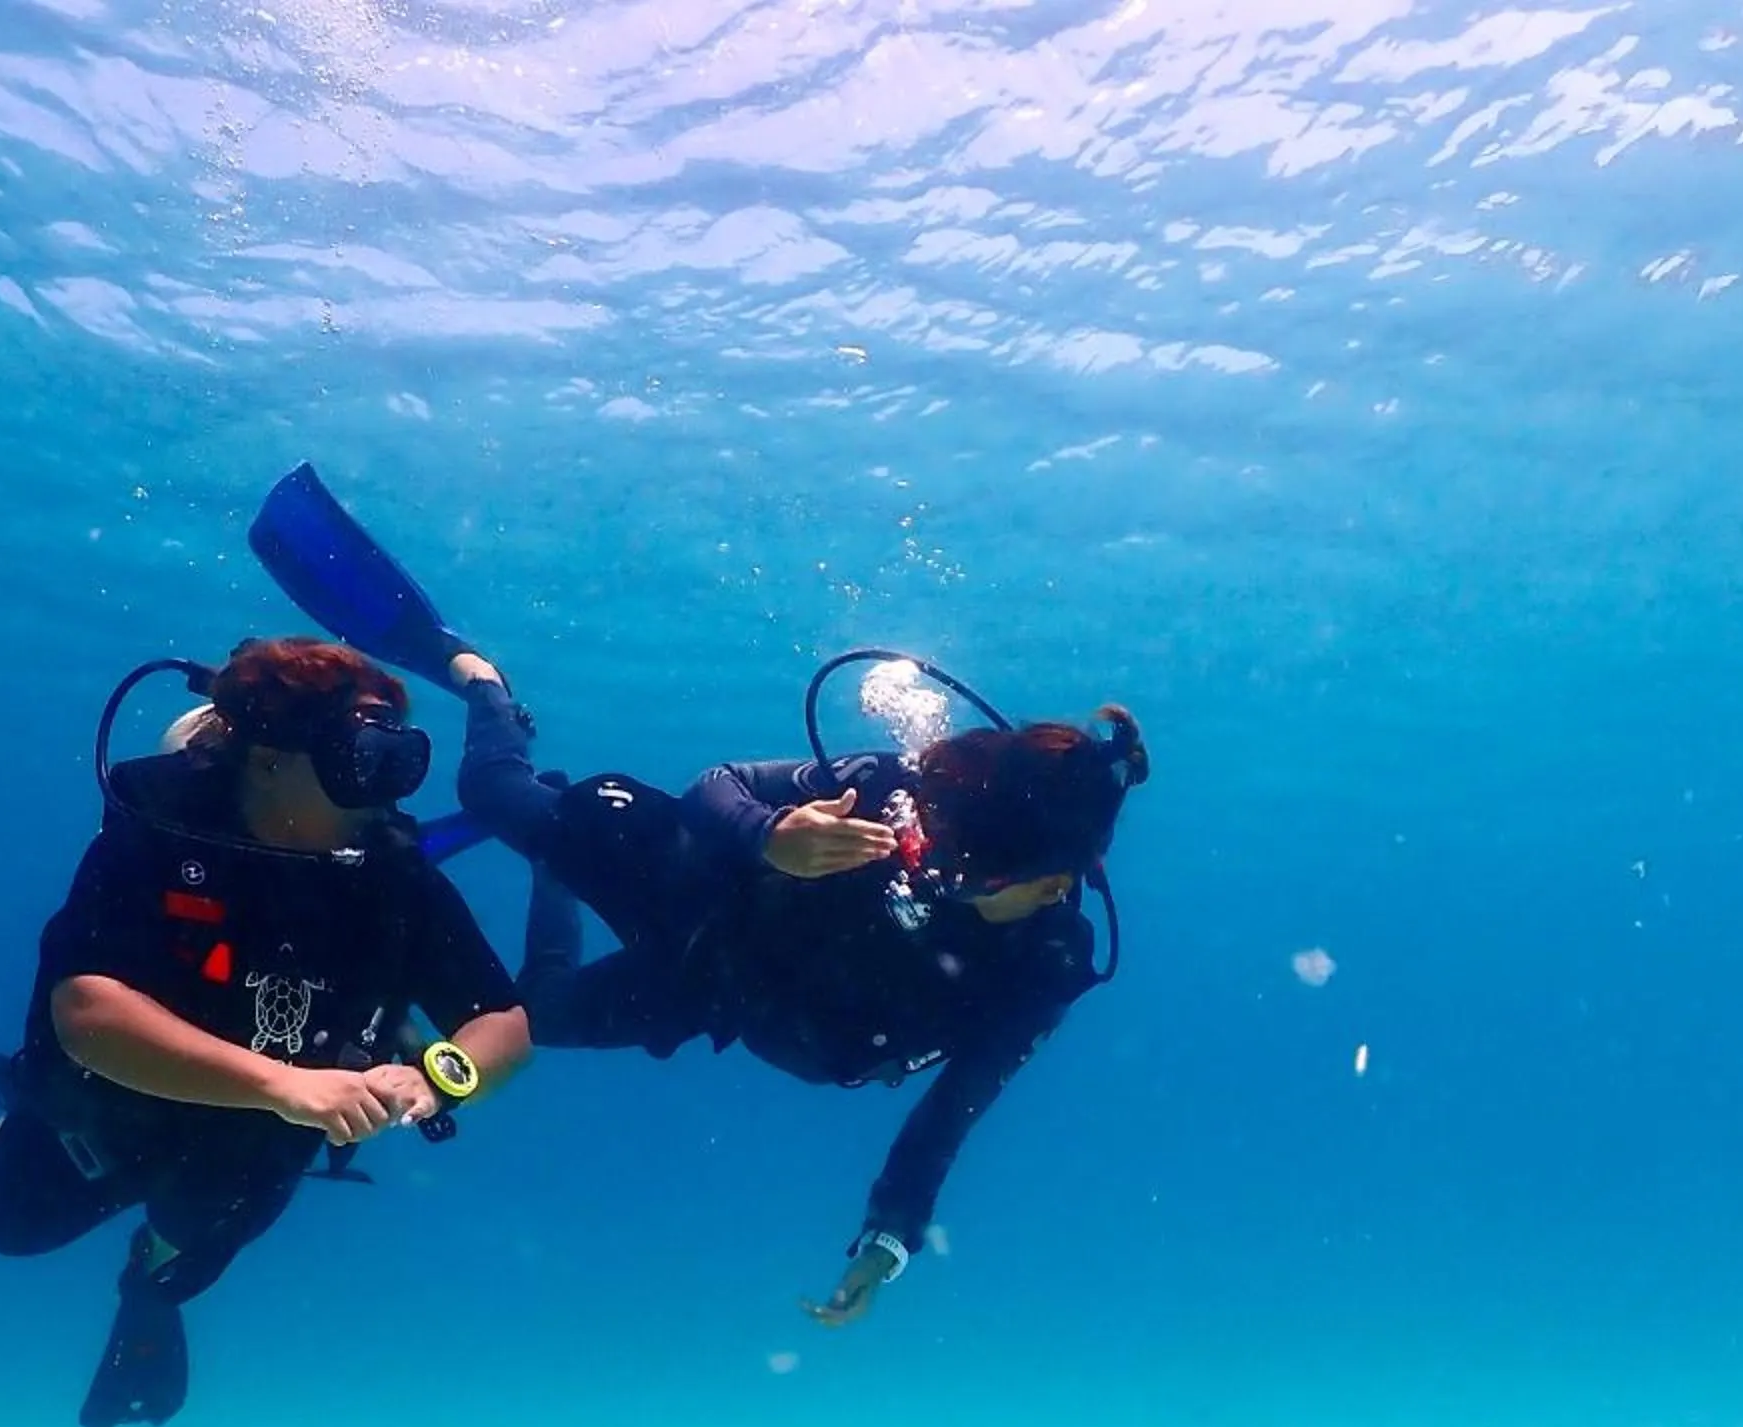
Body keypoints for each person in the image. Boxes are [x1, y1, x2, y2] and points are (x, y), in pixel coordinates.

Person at [246, 465, 1146, 1326]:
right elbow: (717, 785)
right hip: (699, 882)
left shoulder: (1046, 967)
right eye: (934, 850)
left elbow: (955, 1106)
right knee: (490, 793)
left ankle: (548, 862)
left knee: (536, 1015)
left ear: (1056, 885)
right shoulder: (895, 787)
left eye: (960, 877)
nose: (928, 870)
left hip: (719, 989)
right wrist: (774, 834)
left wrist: (889, 1237)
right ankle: (483, 682)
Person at [0, 637, 529, 1427]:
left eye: (390, 758)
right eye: (354, 757)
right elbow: (87, 1013)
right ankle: (15, 1113)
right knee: (5, 1228)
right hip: (117, 1107)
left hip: (261, 1140)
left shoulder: (392, 875)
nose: (378, 788)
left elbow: (501, 1022)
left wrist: (439, 1077)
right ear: (267, 759)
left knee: (190, 1255)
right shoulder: (158, 837)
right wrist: (284, 1083)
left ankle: (149, 1277)